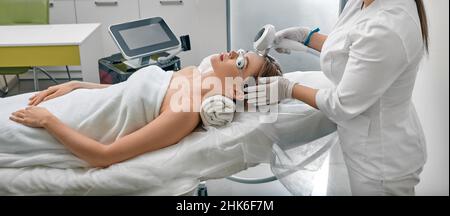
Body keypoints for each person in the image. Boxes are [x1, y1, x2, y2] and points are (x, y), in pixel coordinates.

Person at [245, 0, 428, 195]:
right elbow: (352, 46)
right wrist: (307, 37)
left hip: (382, 161)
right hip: (360, 139)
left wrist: (288, 89)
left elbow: (342, 104)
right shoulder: (362, 2)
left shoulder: (389, 26)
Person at [6, 50, 282, 168]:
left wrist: (48, 122)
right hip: (75, 102)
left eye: (242, 62)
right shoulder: (191, 74)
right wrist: (78, 85)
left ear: (239, 88)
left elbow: (105, 156)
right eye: (242, 51)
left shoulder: (187, 110)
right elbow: (123, 94)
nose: (234, 54)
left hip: (66, 123)